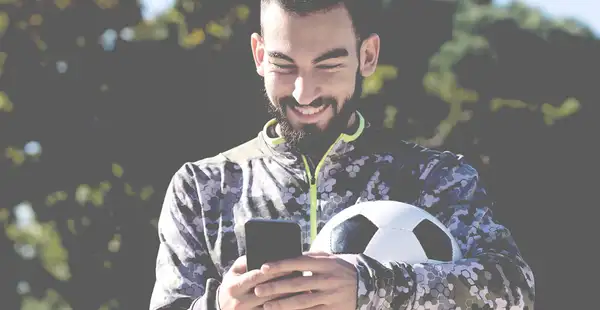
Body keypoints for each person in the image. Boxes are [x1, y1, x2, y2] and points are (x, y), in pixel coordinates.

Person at [149, 0, 536, 309]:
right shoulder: (201, 188)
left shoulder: (437, 177)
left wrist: (370, 287)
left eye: (328, 65)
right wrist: (220, 305)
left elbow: (513, 289)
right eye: (284, 66)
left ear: (367, 56)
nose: (304, 93)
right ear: (260, 55)